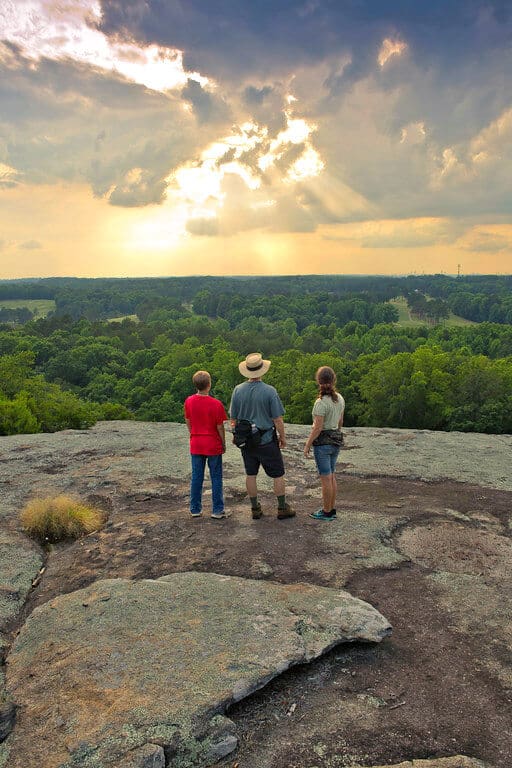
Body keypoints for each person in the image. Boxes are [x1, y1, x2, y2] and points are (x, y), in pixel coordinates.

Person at [229, 353, 294, 520]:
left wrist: (236, 435)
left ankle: (255, 508)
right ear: (262, 370)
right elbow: (277, 419)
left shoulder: (238, 390)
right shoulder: (269, 391)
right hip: (266, 441)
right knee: (278, 474)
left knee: (251, 474)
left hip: (246, 442)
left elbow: (233, 419)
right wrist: (283, 437)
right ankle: (281, 508)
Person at [184, 370, 227, 519]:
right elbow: (220, 427)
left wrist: (193, 433)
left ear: (195, 385)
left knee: (197, 476)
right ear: (209, 385)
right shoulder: (216, 404)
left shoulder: (189, 401)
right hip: (212, 444)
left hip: (196, 443)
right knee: (216, 477)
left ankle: (195, 509)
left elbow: (188, 421)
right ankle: (217, 510)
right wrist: (223, 443)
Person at [303, 366, 345, 520]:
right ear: (333, 380)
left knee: (326, 478)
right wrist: (337, 433)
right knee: (332, 476)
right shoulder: (340, 398)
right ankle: (331, 509)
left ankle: (326, 511)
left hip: (323, 444)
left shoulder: (320, 403)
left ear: (318, 382)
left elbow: (318, 427)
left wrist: (307, 444)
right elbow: (340, 421)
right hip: (335, 441)